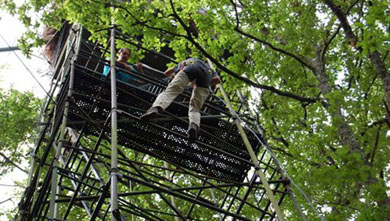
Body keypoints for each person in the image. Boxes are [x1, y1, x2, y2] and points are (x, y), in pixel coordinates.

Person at [140, 58, 221, 140]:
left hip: (190, 69)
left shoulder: (191, 60)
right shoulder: (210, 70)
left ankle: (156, 108)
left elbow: (167, 72)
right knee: (195, 108)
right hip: (205, 78)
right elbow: (218, 80)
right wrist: (201, 83)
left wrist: (173, 77)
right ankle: (194, 125)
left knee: (169, 93)